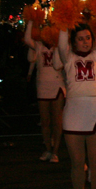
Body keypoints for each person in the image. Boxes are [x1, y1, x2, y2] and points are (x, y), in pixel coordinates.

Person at [54, 14, 96, 189]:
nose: (85, 42)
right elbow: (62, 40)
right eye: (80, 38)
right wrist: (64, 13)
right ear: (73, 41)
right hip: (73, 112)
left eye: (88, 38)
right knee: (77, 163)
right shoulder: (67, 57)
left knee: (95, 161)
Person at [24, 20, 64, 162]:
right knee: (45, 120)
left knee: (57, 120)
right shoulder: (39, 46)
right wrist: (30, 21)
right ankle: (47, 148)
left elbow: (59, 66)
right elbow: (27, 40)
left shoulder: (59, 47)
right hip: (42, 86)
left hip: (58, 85)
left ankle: (56, 151)